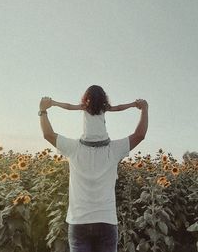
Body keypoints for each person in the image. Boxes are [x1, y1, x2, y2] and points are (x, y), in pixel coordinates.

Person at [38, 85, 148, 252]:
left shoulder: (73, 148)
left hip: (79, 222)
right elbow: (139, 135)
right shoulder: (114, 149)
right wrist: (143, 109)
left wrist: (43, 111)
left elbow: (48, 134)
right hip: (106, 221)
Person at [52, 85, 137, 146]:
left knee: (80, 142)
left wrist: (54, 103)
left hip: (87, 142)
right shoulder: (103, 108)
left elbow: (69, 106)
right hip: (103, 142)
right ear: (103, 97)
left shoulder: (85, 107)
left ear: (86, 97)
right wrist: (133, 104)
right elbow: (119, 108)